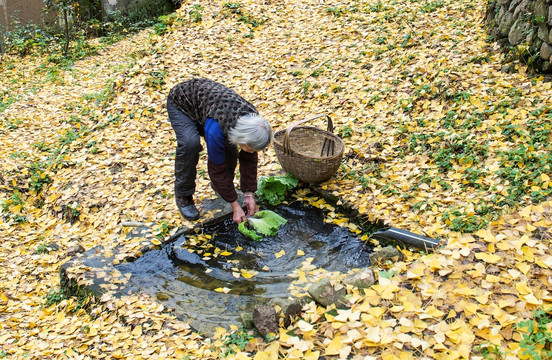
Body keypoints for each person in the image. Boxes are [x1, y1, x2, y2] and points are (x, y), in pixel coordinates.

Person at [166, 78, 272, 223]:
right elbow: (216, 168)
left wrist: (248, 194)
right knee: (190, 144)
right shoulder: (216, 130)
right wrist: (234, 205)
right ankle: (184, 197)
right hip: (182, 103)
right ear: (242, 138)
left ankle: (220, 187)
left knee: (231, 152)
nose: (252, 151)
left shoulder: (253, 123)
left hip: (210, 107)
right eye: (251, 148)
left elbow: (249, 159)